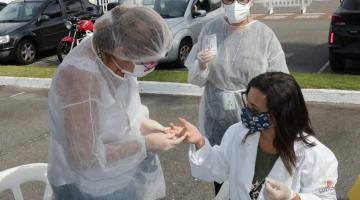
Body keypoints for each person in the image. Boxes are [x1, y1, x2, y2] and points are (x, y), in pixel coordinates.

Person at [47, 5, 185, 200]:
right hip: (88, 188)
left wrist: (150, 127)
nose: (148, 67)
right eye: (145, 62)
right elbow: (85, 158)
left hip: (119, 176)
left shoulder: (115, 58)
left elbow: (123, 112)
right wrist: (145, 144)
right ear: (120, 50)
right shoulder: (81, 79)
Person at [173, 72, 338, 200]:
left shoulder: (317, 155)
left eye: (255, 110)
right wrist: (199, 141)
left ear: (280, 114)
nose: (246, 113)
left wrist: (291, 197)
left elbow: (325, 197)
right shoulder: (238, 133)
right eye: (247, 104)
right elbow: (219, 168)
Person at [185, 0, 289, 194]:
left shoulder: (264, 35)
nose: (234, 4)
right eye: (228, 0)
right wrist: (200, 66)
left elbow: (281, 82)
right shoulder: (210, 29)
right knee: (220, 171)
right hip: (216, 116)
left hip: (254, 115)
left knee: (253, 173)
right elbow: (196, 80)